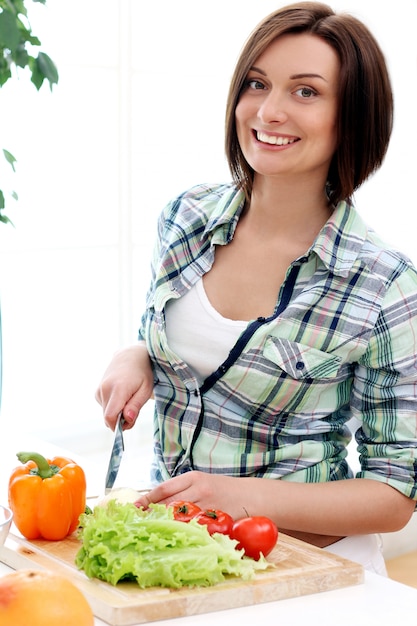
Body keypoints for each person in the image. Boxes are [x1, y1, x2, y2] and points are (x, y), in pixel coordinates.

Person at [96, 2, 417, 574]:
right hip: (179, 559)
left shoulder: (385, 285)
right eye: (257, 83)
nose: (268, 111)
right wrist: (138, 354)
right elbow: (185, 342)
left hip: (311, 572)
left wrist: (248, 498)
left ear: (354, 116)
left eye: (306, 92)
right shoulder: (185, 217)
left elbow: (396, 494)